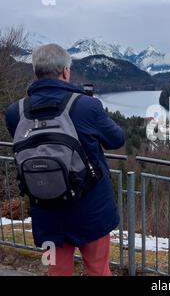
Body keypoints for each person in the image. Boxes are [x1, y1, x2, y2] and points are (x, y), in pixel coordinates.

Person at [5, 44, 125, 276]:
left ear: (35, 72)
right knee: (98, 269)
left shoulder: (16, 112)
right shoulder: (86, 106)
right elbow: (116, 139)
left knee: (57, 271)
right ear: (65, 72)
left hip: (46, 210)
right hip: (91, 209)